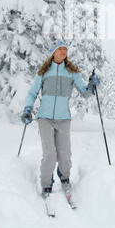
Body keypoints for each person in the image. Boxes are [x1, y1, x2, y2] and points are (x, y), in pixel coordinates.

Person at [22, 40, 99, 202]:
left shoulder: (72, 72)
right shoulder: (44, 71)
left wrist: (91, 86)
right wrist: (28, 109)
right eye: (59, 49)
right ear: (53, 52)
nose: (63, 51)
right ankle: (46, 184)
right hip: (45, 118)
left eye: (65, 49)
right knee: (49, 154)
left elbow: (84, 93)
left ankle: (64, 178)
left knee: (65, 155)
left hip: (63, 118)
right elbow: (32, 93)